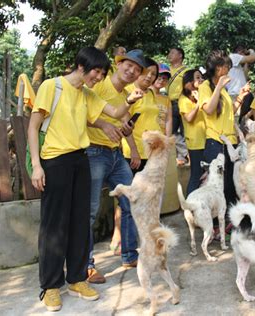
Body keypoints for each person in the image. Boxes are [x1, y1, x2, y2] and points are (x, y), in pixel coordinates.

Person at [28, 46, 141, 311]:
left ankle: (77, 278)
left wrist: (131, 100)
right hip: (55, 160)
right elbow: (33, 126)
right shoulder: (51, 86)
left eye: (102, 73)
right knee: (54, 225)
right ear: (82, 66)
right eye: (96, 72)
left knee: (80, 222)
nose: (98, 78)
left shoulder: (87, 94)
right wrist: (36, 165)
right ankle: (50, 287)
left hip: (81, 159)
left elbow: (113, 113)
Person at [86, 49, 147, 283]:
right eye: (128, 66)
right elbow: (82, 113)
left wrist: (128, 136)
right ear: (118, 63)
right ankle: (85, 266)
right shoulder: (99, 84)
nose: (131, 71)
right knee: (90, 211)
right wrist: (103, 127)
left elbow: (120, 121)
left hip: (114, 155)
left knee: (132, 201)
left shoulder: (127, 94)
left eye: (137, 70)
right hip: (93, 152)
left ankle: (129, 255)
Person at [199, 49, 251, 208]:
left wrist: (241, 97)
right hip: (216, 142)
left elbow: (230, 113)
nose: (228, 69)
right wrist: (218, 87)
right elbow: (208, 109)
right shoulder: (205, 87)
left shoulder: (224, 90)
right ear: (217, 68)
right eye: (226, 66)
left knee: (229, 184)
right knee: (216, 186)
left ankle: (229, 220)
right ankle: (214, 223)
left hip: (230, 142)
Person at [122, 57, 160, 174]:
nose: (149, 76)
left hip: (152, 151)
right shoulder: (128, 91)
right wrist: (134, 151)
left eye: (153, 74)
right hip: (135, 152)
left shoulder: (151, 93)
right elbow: (125, 124)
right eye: (146, 72)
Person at [179, 69, 206, 195]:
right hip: (195, 142)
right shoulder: (183, 99)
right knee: (196, 174)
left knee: (204, 175)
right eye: (198, 78)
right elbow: (189, 118)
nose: (201, 80)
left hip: (207, 139)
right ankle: (189, 205)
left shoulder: (202, 96)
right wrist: (198, 103)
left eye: (201, 77)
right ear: (189, 81)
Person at [167, 47, 189, 165]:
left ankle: (182, 157)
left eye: (172, 52)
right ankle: (185, 153)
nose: (169, 55)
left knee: (185, 131)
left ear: (180, 55)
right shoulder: (166, 70)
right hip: (169, 103)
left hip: (183, 103)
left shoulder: (186, 70)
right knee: (171, 131)